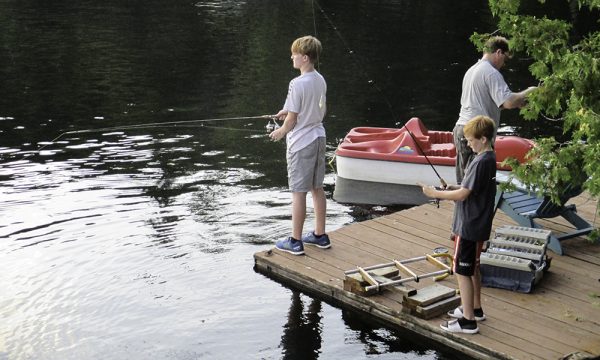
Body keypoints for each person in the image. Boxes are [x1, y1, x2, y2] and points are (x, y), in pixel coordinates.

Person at [420, 115, 497, 334]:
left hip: (470, 226)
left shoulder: (480, 161)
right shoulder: (489, 157)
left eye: (471, 140)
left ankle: (468, 321)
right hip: (479, 223)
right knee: (473, 267)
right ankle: (475, 308)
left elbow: (463, 195)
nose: (468, 144)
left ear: (483, 139)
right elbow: (470, 187)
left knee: (462, 271)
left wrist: (435, 193)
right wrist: (450, 187)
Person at [270, 35, 330, 256]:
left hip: (301, 143)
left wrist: (281, 131)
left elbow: (293, 119)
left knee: (298, 192)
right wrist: (286, 112)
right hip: (319, 137)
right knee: (317, 188)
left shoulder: (296, 83)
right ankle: (320, 235)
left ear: (304, 57)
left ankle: (295, 241)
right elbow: (313, 107)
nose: (292, 57)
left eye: (294, 54)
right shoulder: (320, 79)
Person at [453, 35, 537, 184]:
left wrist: (518, 103)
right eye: (505, 59)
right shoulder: (491, 72)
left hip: (461, 129)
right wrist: (530, 91)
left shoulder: (472, 70)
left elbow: (487, 103)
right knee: (476, 184)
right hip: (477, 132)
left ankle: (463, 207)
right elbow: (509, 102)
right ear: (498, 52)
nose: (504, 64)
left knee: (464, 182)